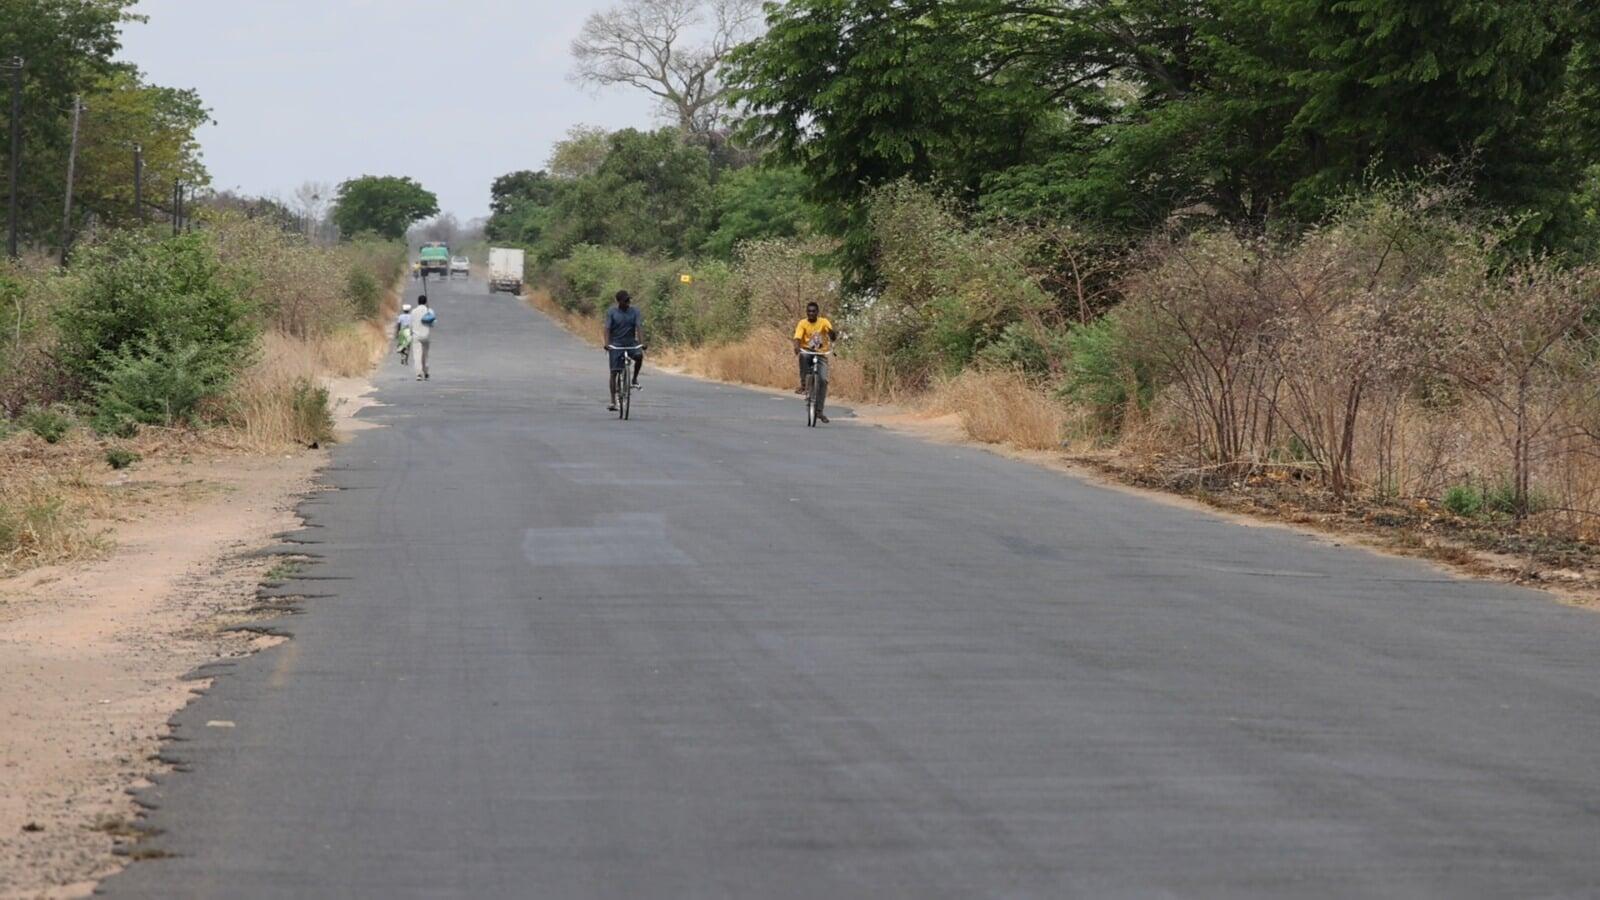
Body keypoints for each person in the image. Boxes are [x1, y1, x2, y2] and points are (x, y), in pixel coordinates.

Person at [793, 301, 836, 423]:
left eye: (813, 311)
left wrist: (831, 334)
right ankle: (804, 384)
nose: (811, 313)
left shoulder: (823, 322)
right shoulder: (802, 323)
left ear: (817, 312)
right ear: (806, 312)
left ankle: (819, 411)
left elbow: (832, 335)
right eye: (809, 311)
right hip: (808, 351)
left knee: (823, 380)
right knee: (803, 356)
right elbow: (797, 337)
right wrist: (796, 346)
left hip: (821, 353)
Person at [603, 290, 645, 412]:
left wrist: (642, 343)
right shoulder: (612, 312)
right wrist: (607, 344)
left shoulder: (635, 311)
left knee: (639, 356)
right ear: (619, 301)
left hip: (631, 343)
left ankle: (634, 379)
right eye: (625, 300)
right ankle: (613, 401)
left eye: (629, 300)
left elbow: (639, 327)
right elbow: (607, 329)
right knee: (614, 372)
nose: (628, 302)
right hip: (616, 344)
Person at [411, 296, 435, 381]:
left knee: (417, 355)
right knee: (425, 355)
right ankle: (426, 372)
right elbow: (432, 324)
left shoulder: (413, 311)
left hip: (416, 336)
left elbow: (411, 323)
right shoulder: (429, 311)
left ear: (418, 302)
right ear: (425, 302)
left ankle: (419, 374)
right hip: (426, 335)